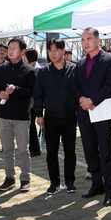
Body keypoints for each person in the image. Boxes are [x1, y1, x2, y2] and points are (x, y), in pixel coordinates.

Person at [73, 27, 111, 206]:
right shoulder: (80, 63)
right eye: (83, 40)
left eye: (89, 39)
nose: (85, 42)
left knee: (106, 151)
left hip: (102, 111)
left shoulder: (110, 59)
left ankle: (110, 190)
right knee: (90, 151)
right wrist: (82, 100)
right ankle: (97, 184)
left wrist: (92, 100)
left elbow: (109, 85)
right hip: (84, 113)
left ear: (98, 40)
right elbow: (75, 85)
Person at [0, 38, 36, 192]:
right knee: (7, 150)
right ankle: (9, 177)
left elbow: (32, 92)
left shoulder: (29, 71)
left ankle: (25, 178)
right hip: (3, 116)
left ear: (22, 51)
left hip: (22, 117)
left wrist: (15, 89)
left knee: (23, 150)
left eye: (14, 48)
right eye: (9, 48)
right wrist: (0, 93)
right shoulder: (1, 68)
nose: (10, 51)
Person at [34, 39, 78, 195]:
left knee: (70, 151)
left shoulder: (74, 69)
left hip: (69, 117)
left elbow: (79, 93)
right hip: (50, 117)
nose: (53, 53)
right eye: (50, 50)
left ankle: (70, 182)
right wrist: (39, 115)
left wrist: (79, 113)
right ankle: (54, 182)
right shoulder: (43, 72)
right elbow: (38, 95)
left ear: (63, 51)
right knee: (51, 152)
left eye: (56, 50)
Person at [24, 49, 42, 157]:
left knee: (31, 125)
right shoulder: (32, 68)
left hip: (33, 103)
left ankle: (35, 148)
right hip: (31, 102)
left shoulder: (37, 70)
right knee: (30, 125)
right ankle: (34, 147)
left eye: (25, 57)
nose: (24, 59)